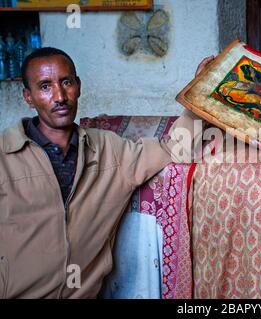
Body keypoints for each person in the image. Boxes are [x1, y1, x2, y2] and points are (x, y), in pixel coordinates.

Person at [0, 47, 213, 298]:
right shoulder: (5, 156)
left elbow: (173, 148)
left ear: (78, 86)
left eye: (66, 82)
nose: (60, 96)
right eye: (45, 86)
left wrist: (201, 90)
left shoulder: (108, 150)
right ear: (28, 97)